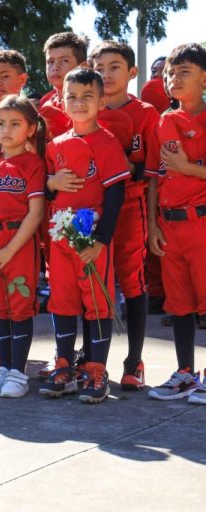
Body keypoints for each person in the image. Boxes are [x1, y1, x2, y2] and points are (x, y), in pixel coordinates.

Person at [39, 68, 130, 404]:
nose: (78, 102)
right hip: (60, 239)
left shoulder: (106, 142)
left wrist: (101, 241)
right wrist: (51, 183)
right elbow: (45, 190)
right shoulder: (56, 145)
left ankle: (95, 371)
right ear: (62, 102)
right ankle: (64, 366)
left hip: (92, 240)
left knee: (96, 302)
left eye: (87, 96)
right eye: (72, 97)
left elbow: (116, 193)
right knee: (61, 300)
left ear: (101, 102)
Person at [90, 40, 162, 391]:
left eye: (114, 66)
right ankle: (91, 361)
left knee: (131, 281)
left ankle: (134, 361)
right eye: (100, 68)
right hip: (91, 209)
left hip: (130, 207)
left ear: (132, 72)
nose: (106, 74)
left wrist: (152, 221)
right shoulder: (87, 108)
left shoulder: (146, 113)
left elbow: (150, 171)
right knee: (91, 280)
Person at [0, 96, 47, 398]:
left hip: (19, 243)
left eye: (15, 124)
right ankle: (4, 367)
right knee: (1, 308)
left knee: (19, 307)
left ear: (31, 129)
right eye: (1, 123)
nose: (6, 129)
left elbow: (36, 213)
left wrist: (9, 250)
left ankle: (18, 372)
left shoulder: (33, 163)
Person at [146, 43, 206, 404]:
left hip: (201, 222)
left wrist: (187, 168)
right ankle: (185, 373)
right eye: (170, 73)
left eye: (184, 71)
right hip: (170, 226)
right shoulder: (164, 120)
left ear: (204, 79)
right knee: (179, 304)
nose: (174, 79)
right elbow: (155, 176)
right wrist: (153, 224)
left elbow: (180, 168)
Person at [39, 32, 89, 138]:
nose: (55, 67)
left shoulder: (94, 103)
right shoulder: (44, 103)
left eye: (65, 61)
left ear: (83, 67)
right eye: (50, 62)